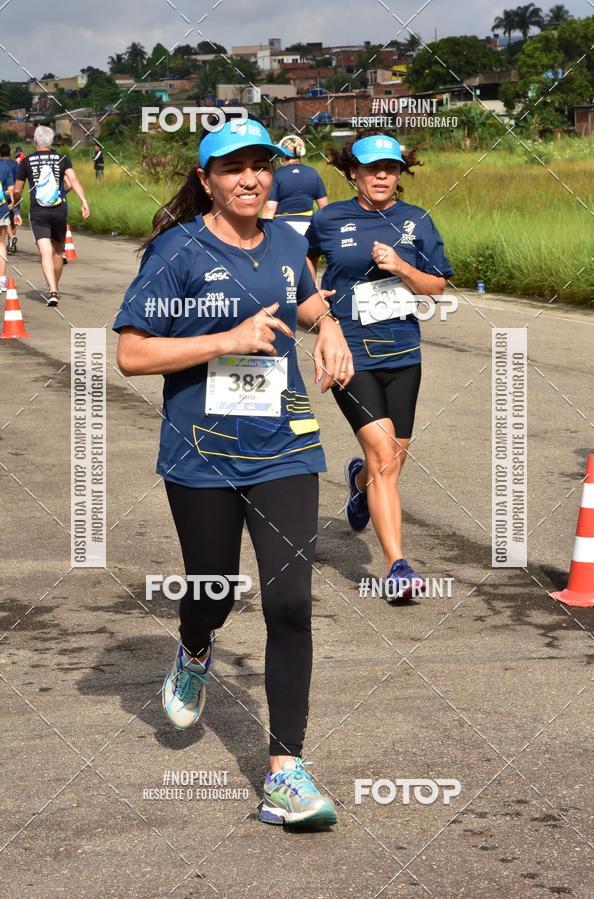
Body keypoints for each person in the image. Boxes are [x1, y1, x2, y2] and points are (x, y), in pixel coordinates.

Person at [114, 117, 353, 827]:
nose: (251, 178)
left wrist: (329, 326)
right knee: (213, 586)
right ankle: (194, 647)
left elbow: (305, 297)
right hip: (202, 453)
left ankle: (286, 771)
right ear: (207, 179)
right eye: (234, 168)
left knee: (289, 602)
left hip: (285, 445)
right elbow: (132, 353)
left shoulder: (285, 239)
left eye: (262, 165)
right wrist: (229, 338)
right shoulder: (175, 251)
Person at [306, 132, 454, 599]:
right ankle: (399, 566)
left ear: (399, 174)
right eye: (372, 169)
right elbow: (302, 265)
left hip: (404, 353)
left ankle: (358, 481)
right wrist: (317, 307)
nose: (382, 176)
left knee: (389, 460)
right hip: (350, 352)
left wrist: (402, 268)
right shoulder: (328, 218)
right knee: (385, 456)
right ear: (354, 173)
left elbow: (437, 287)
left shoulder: (416, 221)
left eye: (390, 168)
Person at [12, 126, 89, 306]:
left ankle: (52, 291)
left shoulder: (26, 161)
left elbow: (17, 189)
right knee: (58, 252)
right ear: (52, 141)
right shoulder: (63, 158)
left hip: (38, 212)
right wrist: (84, 201)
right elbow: (72, 182)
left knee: (45, 252)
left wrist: (15, 204)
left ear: (35, 141)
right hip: (59, 210)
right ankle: (56, 287)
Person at [262, 135, 328, 236]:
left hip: (282, 227)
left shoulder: (276, 174)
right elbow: (324, 208)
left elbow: (270, 208)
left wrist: (264, 232)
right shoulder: (313, 173)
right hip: (308, 227)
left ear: (282, 155)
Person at [0, 145, 21, 255]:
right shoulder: (15, 164)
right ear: (10, 152)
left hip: (2, 197)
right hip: (13, 193)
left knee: (4, 220)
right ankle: (12, 244)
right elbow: (19, 179)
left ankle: (8, 241)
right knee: (12, 220)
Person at [0, 156, 15, 293]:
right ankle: (2, 281)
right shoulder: (5, 167)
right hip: (2, 209)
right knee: (1, 244)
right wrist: (12, 206)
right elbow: (11, 188)